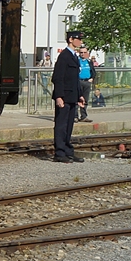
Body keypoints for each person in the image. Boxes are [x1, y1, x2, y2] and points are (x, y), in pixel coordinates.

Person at [50, 30, 86, 164]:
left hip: (72, 96)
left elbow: (74, 79)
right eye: (78, 39)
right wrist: (59, 96)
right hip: (64, 96)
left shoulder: (74, 56)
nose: (80, 42)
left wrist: (80, 95)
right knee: (61, 125)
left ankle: (68, 151)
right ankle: (59, 153)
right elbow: (58, 78)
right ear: (71, 39)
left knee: (69, 125)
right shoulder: (64, 56)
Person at [76, 45, 97, 122]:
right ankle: (75, 116)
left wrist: (91, 78)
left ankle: (83, 116)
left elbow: (93, 72)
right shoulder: (76, 61)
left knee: (85, 100)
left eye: (84, 52)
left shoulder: (89, 61)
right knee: (76, 99)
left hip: (87, 82)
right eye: (81, 52)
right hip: (78, 82)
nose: (83, 54)